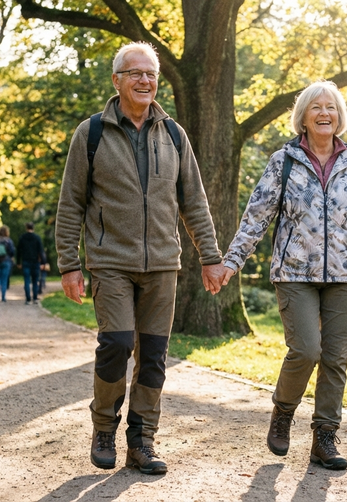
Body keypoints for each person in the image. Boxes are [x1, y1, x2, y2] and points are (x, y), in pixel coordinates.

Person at [55, 41, 225, 475]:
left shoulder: (173, 134)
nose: (146, 80)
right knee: (116, 344)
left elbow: (195, 202)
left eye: (151, 74)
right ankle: (104, 429)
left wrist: (210, 256)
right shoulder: (90, 133)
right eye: (136, 73)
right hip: (110, 261)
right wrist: (69, 265)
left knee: (152, 354)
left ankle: (142, 439)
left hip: (163, 265)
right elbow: (71, 203)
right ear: (117, 81)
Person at [221, 81, 347, 471]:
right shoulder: (284, 161)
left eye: (331, 107)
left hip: (345, 276)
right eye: (316, 107)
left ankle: (325, 437)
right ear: (304, 117)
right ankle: (283, 412)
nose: (324, 113)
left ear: (339, 116)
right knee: (307, 350)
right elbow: (257, 216)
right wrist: (233, 260)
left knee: (335, 358)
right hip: (294, 271)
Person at [16, 222, 43, 305]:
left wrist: (18, 262)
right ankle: (35, 298)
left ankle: (28, 299)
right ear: (33, 228)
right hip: (35, 262)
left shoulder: (22, 238)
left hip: (25, 261)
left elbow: (18, 251)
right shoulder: (37, 238)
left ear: (26, 227)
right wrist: (43, 262)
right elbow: (41, 251)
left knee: (27, 280)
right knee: (35, 280)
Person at [0, 225, 15, 302]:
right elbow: (12, 252)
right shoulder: (8, 240)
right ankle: (3, 297)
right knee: (4, 279)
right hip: (6, 261)